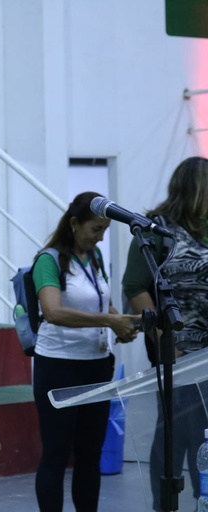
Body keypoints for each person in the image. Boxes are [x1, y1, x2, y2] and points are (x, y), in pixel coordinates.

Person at [31, 191, 138, 512]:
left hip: (96, 366)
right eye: (95, 230)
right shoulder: (48, 260)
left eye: (104, 230)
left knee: (90, 455)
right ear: (75, 223)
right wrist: (108, 320)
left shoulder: (95, 257)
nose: (100, 237)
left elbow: (101, 302)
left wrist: (120, 322)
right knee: (56, 454)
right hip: (58, 367)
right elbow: (53, 312)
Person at [122, 156, 208, 510]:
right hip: (179, 353)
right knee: (177, 433)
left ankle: (203, 500)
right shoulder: (157, 230)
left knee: (204, 436)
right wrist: (167, 343)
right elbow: (135, 287)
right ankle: (166, 505)